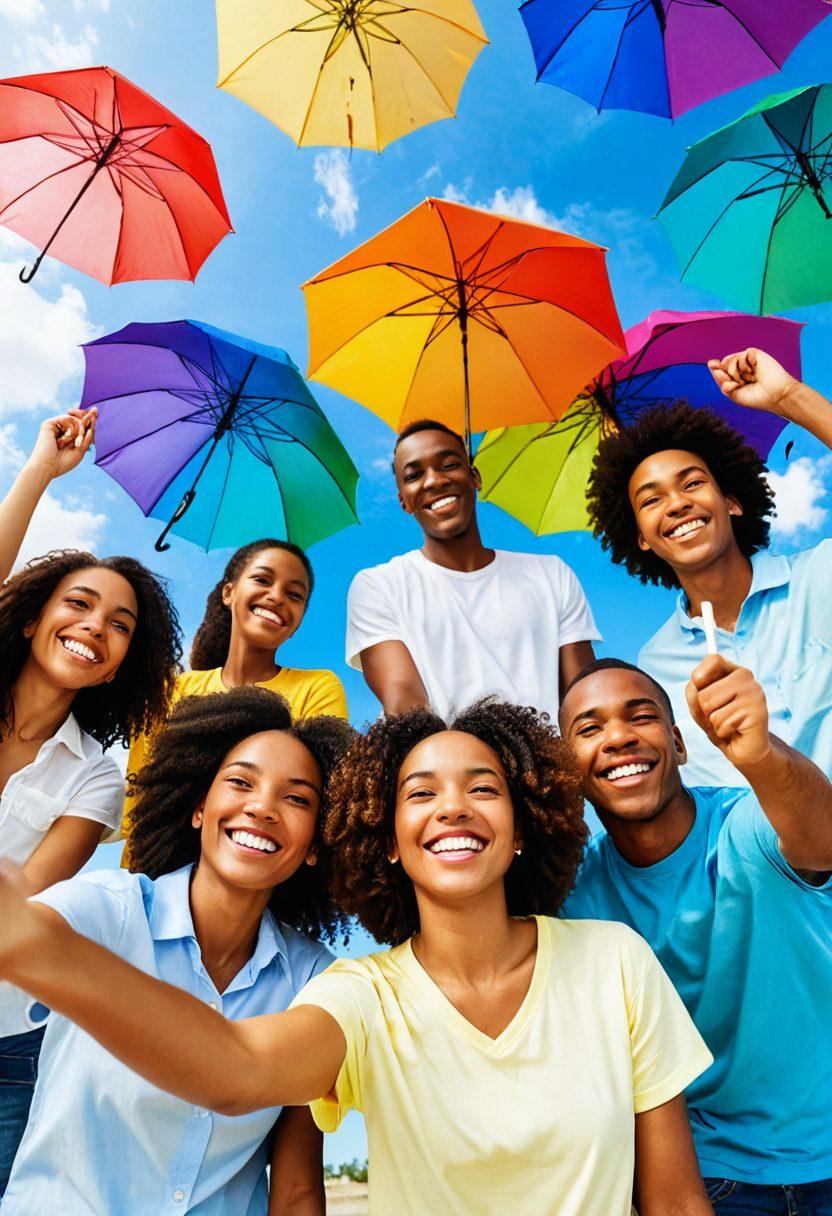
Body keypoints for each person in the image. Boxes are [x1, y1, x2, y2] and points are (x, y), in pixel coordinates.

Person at [0, 701, 714, 1216]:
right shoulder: (358, 994)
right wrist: (38, 949)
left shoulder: (615, 962)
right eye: (421, 793)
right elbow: (239, 1068)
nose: (454, 808)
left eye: (483, 788)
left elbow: (678, 1203)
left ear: (522, 827)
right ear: (388, 840)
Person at [2, 686, 354, 1213]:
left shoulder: (316, 981)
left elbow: (298, 1190)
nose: (262, 807)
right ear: (199, 807)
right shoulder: (109, 909)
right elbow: (29, 932)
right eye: (241, 782)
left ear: (315, 845)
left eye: (297, 799)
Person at [559, 656, 832, 1214]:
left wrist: (762, 756)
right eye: (590, 729)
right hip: (709, 1182)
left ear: (680, 744)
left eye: (641, 716)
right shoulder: (571, 898)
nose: (618, 737)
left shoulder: (748, 825)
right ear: (568, 774)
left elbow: (823, 839)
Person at [0, 409, 182, 1191]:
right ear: (33, 617)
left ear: (115, 668)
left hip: (9, 1043)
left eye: (119, 625)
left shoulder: (97, 779)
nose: (93, 627)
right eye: (77, 604)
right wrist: (40, 470)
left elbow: (24, 900)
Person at [586, 347, 832, 786]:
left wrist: (787, 396)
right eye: (651, 499)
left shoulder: (820, 575)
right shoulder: (655, 667)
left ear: (732, 502)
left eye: (693, 483)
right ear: (641, 538)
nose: (677, 504)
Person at [346, 420, 599, 719]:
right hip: (442, 750)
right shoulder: (377, 586)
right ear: (404, 501)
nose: (434, 480)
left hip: (548, 750)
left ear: (475, 477)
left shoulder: (552, 574)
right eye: (414, 475)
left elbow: (584, 700)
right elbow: (406, 708)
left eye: (449, 465)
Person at [124, 538, 347, 846]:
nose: (277, 596)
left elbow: (322, 793)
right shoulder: (171, 692)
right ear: (229, 592)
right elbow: (138, 806)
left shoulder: (317, 688)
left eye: (295, 595)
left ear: (298, 621)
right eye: (263, 580)